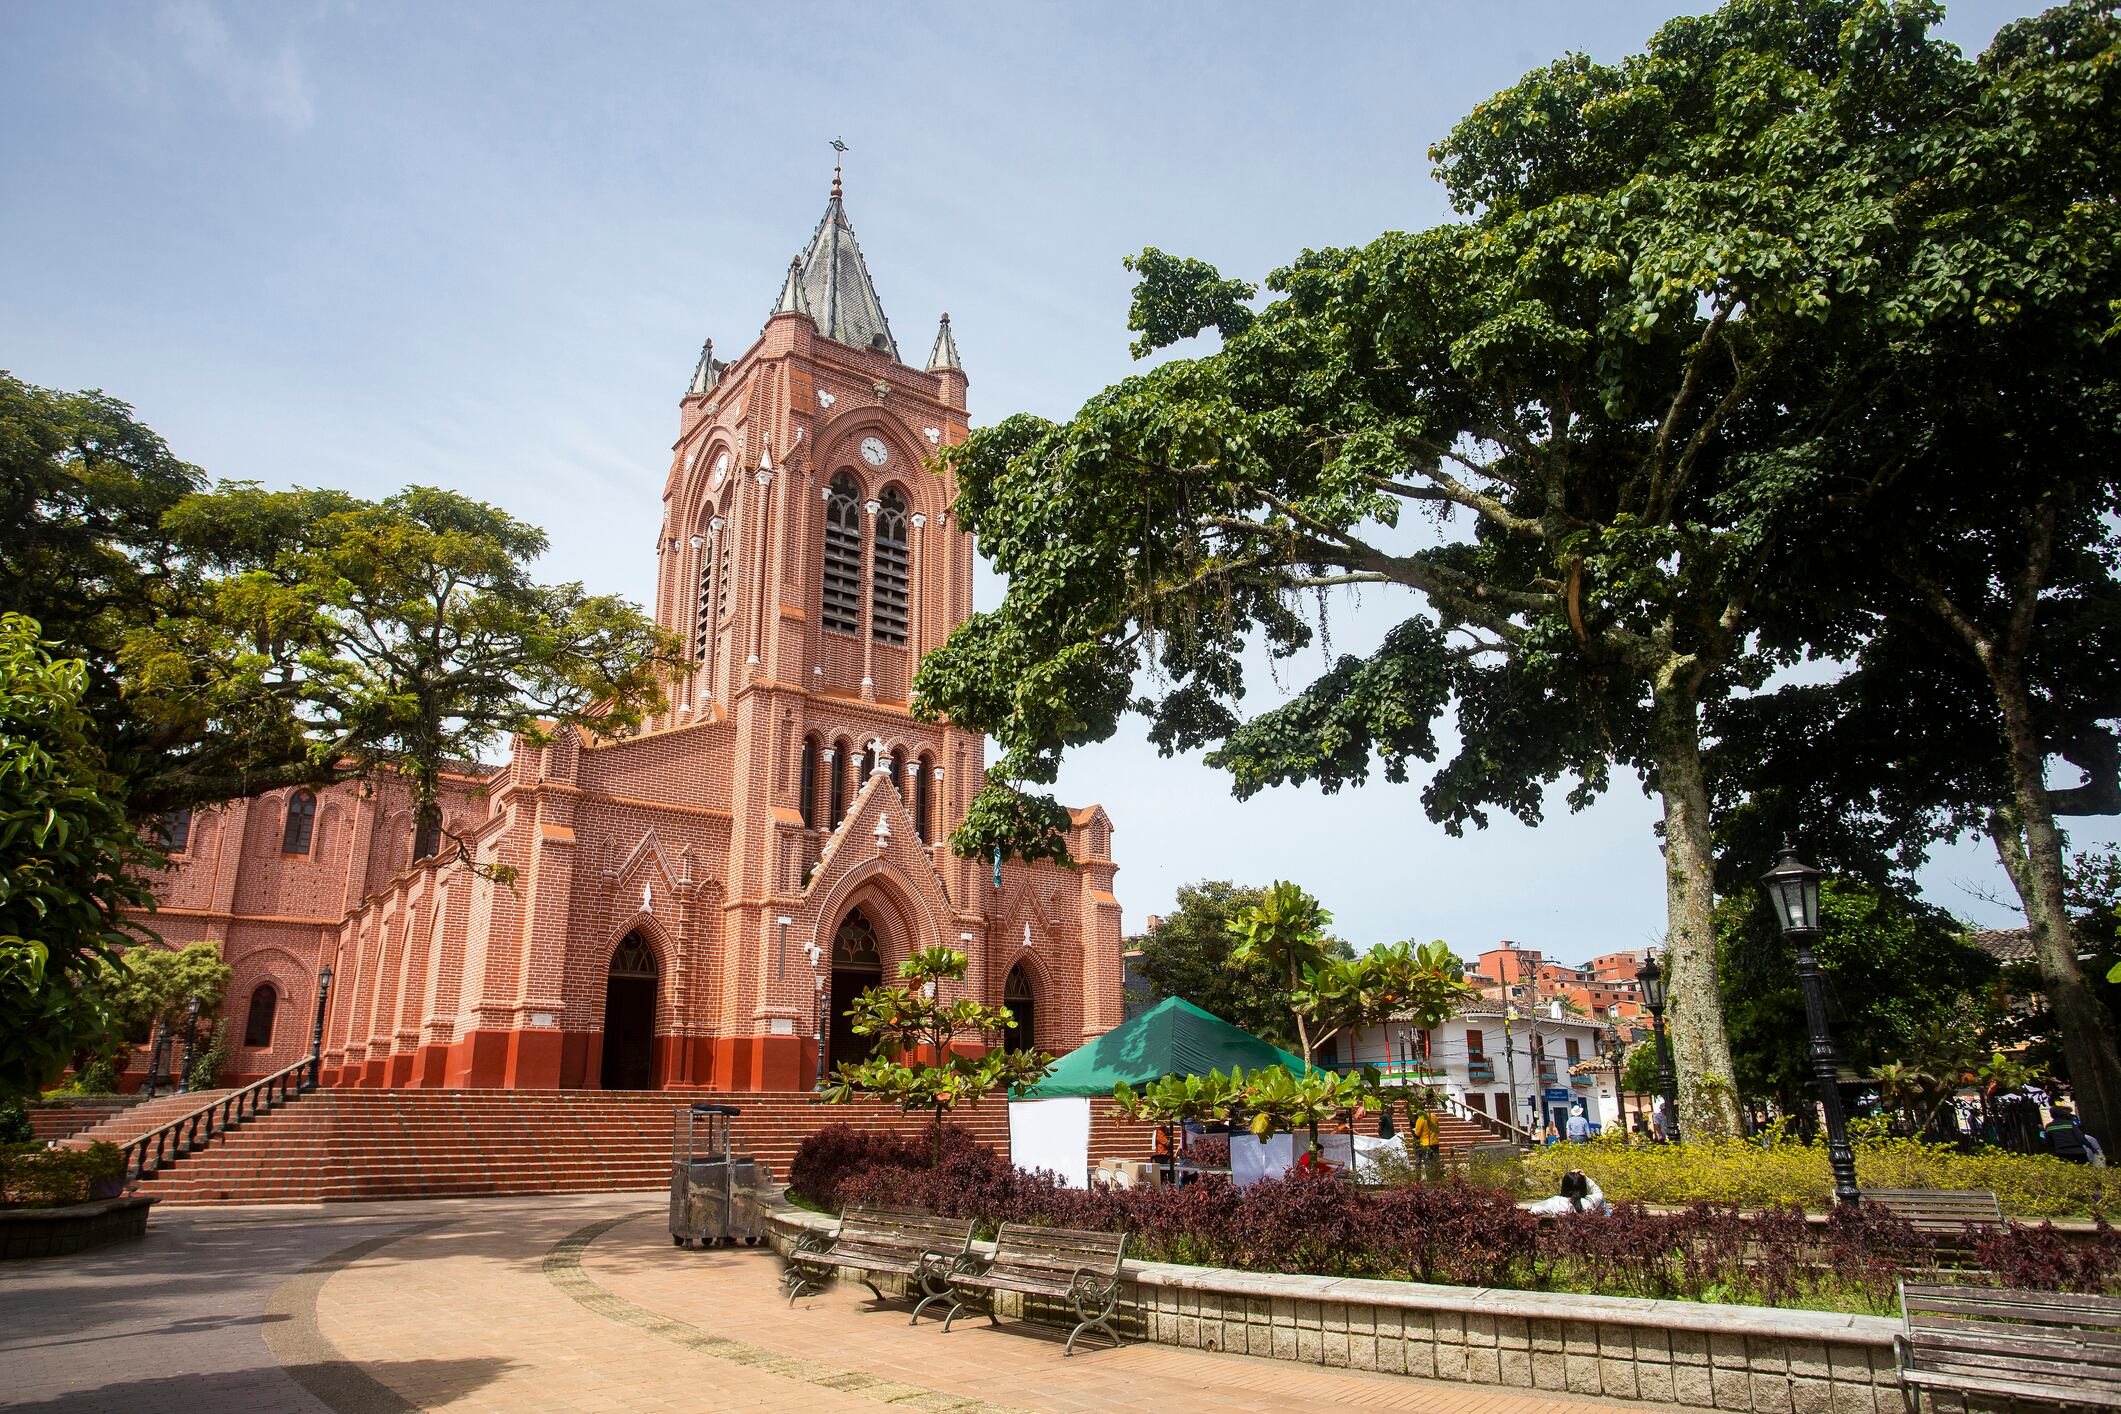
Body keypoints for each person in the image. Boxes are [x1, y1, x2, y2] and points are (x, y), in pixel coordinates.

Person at [1528, 1169, 1608, 1217]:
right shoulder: (1589, 1201)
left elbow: (1533, 1209)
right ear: (1583, 1186)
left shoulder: (1554, 1202)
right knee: (1603, 1203)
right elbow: (1599, 1193)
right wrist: (1585, 1177)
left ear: (1564, 1186)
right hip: (1587, 1239)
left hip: (1562, 1240)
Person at [1411, 1106, 1440, 1178]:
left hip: (1425, 1144)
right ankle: (1438, 1180)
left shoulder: (1420, 1119)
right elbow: (1437, 1129)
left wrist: (1412, 1131)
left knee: (1428, 1164)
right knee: (1436, 1163)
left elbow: (1417, 1134)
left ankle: (1431, 1181)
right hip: (1435, 1143)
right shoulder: (1434, 1116)